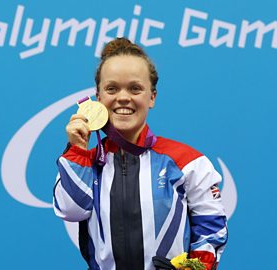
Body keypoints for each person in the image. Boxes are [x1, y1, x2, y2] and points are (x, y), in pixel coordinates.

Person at [53, 37, 228, 270]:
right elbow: (71, 210)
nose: (123, 97)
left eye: (135, 88)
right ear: (98, 97)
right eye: (112, 88)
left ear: (152, 97)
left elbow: (211, 228)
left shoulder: (188, 162)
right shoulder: (84, 162)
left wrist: (193, 268)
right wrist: (77, 150)